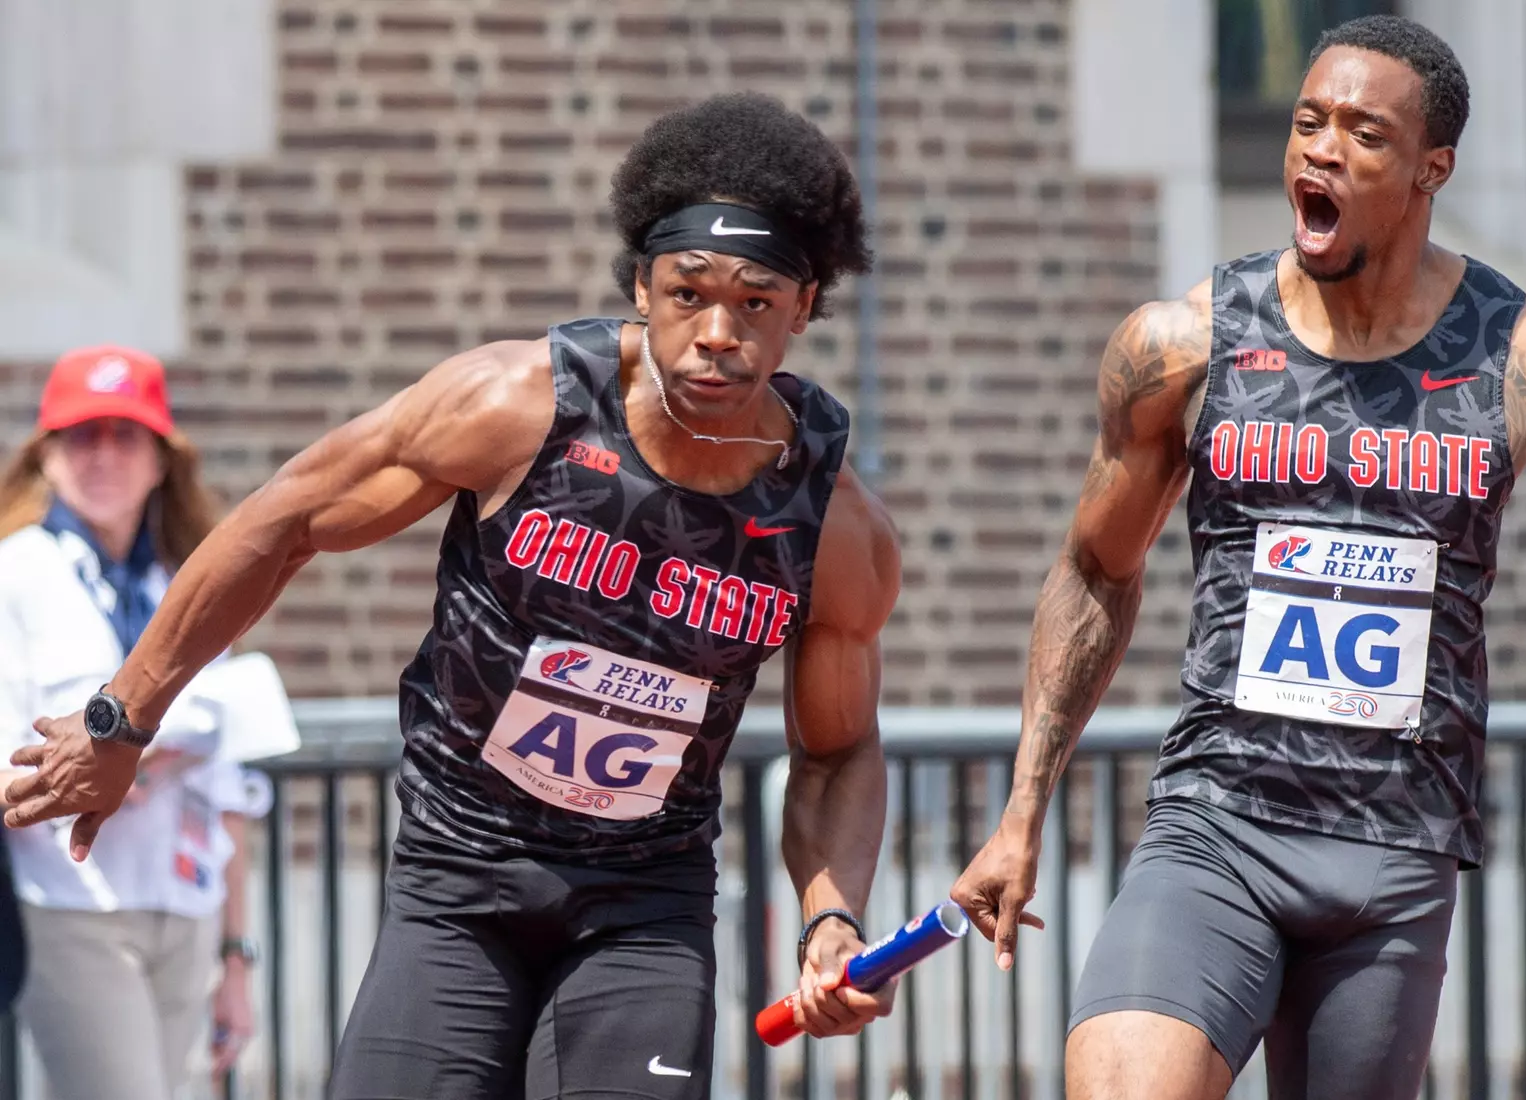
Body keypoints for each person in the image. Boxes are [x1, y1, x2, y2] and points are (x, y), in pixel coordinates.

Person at [4, 92, 901, 1098]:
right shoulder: (518, 406)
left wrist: (834, 913)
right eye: (689, 292)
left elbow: (836, 747)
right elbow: (283, 519)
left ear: (807, 306)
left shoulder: (833, 523)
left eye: (757, 300)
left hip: (644, 902)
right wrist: (123, 720)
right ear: (642, 286)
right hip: (458, 875)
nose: (717, 332)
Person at [952, 14, 1526, 1100]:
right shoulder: (1185, 346)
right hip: (1217, 824)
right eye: (1307, 121)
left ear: (1430, 170)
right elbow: (1097, 569)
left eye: (1363, 133)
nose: (1320, 149)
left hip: (1394, 853)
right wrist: (1021, 811)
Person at [0, 346, 267, 1099]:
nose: (104, 456)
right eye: (83, 436)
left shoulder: (188, 582)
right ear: (46, 456)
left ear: (161, 460)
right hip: (74, 907)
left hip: (187, 906)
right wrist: (110, 770)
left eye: (126, 435)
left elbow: (231, 786)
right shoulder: (15, 575)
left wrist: (236, 956)